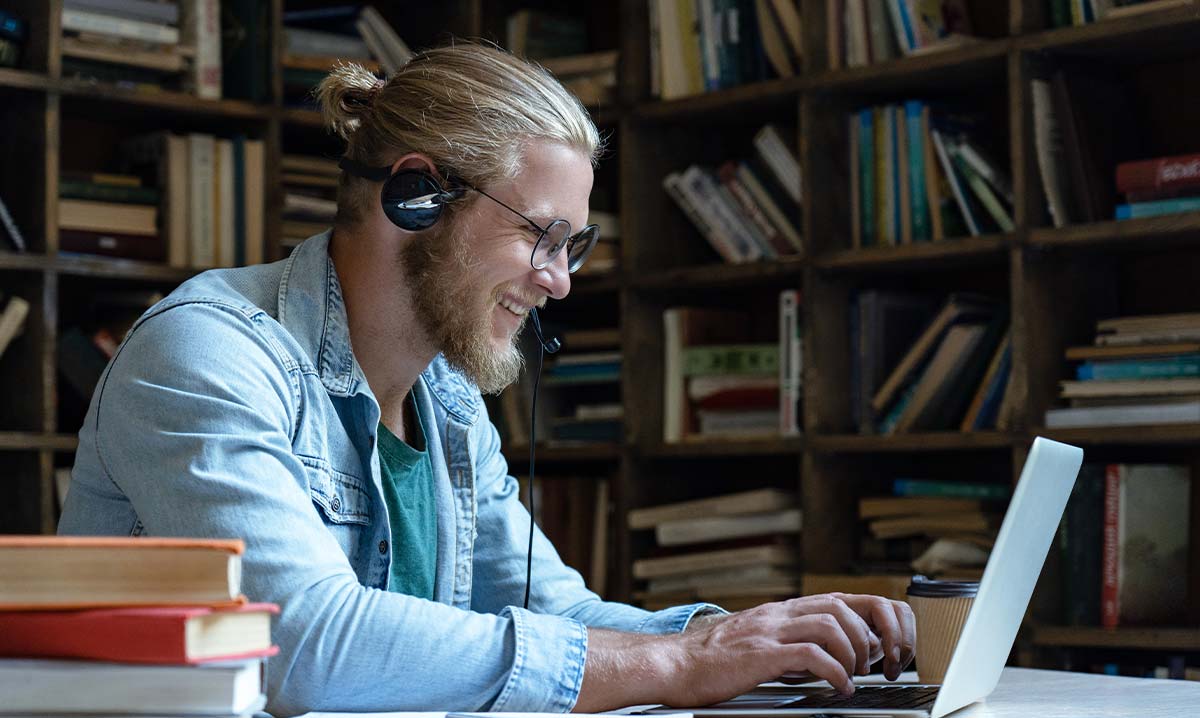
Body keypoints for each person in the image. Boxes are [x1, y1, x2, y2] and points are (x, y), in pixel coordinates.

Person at [58, 43, 914, 716]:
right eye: (542, 236)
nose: (560, 280)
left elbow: (557, 615)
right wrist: (682, 662)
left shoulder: (451, 402)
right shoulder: (205, 355)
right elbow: (302, 643)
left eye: (573, 246)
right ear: (417, 195)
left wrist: (748, 636)